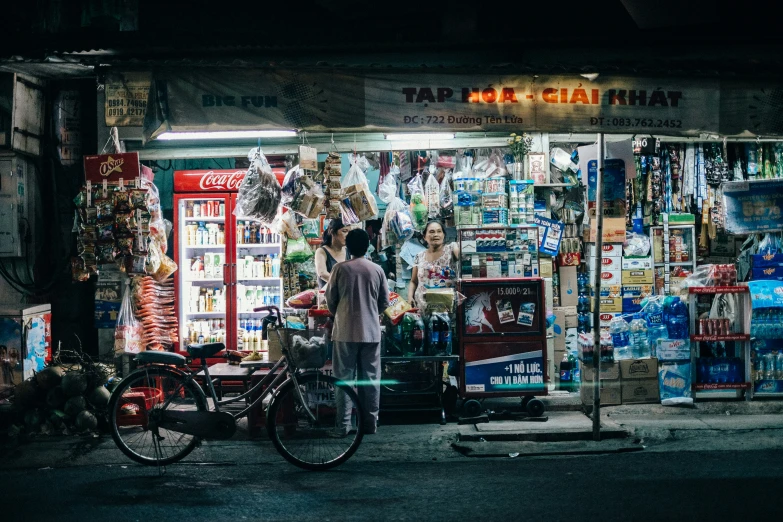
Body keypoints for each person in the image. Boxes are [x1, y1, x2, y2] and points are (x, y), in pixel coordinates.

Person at [326, 229, 390, 436]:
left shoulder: (339, 269)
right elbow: (384, 303)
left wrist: (340, 314)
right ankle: (369, 424)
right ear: (367, 245)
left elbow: (330, 300)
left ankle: (343, 425)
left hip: (345, 331)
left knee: (343, 379)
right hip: (371, 331)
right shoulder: (376, 269)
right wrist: (371, 313)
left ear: (348, 246)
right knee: (370, 380)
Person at [408, 220, 460, 308]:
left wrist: (457, 245)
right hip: (422, 307)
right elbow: (413, 281)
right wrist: (409, 297)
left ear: (443, 235)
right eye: (431, 232)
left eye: (439, 231)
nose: (436, 235)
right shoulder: (419, 256)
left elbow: (461, 255)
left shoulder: (451, 250)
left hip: (446, 308)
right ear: (424, 236)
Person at [314, 218, 349, 289]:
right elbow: (322, 273)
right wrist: (343, 284)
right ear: (332, 232)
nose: (347, 235)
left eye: (349, 232)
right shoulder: (321, 251)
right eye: (344, 231)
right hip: (327, 297)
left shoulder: (348, 250)